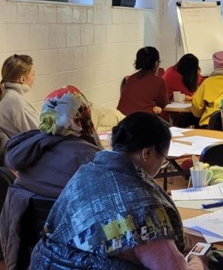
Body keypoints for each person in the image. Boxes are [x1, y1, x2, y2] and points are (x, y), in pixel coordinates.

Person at [30, 112, 206, 269]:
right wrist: (198, 260)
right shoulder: (144, 208)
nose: (162, 164)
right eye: (163, 157)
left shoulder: (85, 175)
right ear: (147, 153)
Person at [0, 85, 101, 269]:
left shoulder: (28, 147)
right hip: (72, 249)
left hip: (32, 247)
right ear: (81, 116)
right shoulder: (87, 156)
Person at [117, 46, 169, 116]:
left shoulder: (131, 79)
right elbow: (165, 105)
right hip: (142, 121)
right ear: (156, 63)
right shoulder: (158, 82)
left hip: (122, 120)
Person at [0, 54, 39, 137]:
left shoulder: (6, 95)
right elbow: (39, 134)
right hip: (27, 148)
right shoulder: (15, 101)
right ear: (23, 79)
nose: (34, 78)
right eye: (33, 75)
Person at [162, 53, 204, 127]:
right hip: (169, 115)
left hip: (169, 112)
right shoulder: (174, 76)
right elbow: (190, 93)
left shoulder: (172, 70)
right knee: (199, 116)